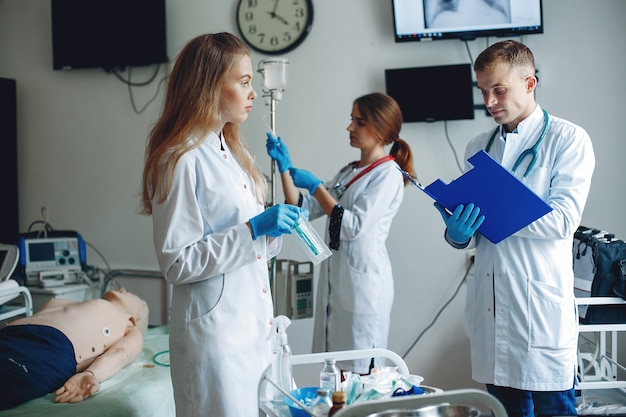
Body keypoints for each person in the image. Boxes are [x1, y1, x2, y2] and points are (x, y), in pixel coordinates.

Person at [139, 33, 305, 417]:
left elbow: (248, 245)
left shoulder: (232, 153)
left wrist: (271, 233)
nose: (253, 93)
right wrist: (253, 229)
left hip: (251, 331)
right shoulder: (179, 158)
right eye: (244, 82)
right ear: (210, 85)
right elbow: (176, 262)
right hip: (215, 340)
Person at [434, 39, 595, 417]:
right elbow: (476, 230)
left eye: (499, 90)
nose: (489, 101)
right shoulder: (479, 145)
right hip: (491, 311)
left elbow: (563, 220)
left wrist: (498, 212)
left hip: (538, 311)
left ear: (530, 83)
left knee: (553, 410)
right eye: (483, 91)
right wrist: (458, 234)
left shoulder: (568, 140)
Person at [266, 92, 415, 374]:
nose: (350, 128)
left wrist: (316, 187)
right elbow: (304, 208)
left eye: (359, 122)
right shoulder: (350, 171)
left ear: (381, 128)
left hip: (364, 287)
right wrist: (284, 169)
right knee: (335, 371)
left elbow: (352, 226)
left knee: (360, 373)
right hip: (337, 281)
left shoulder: (387, 174)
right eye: (352, 120)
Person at [0, 288, 149, 410]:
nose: (122, 289)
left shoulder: (129, 327)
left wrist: (92, 374)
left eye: (129, 292)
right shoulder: (74, 304)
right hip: (11, 332)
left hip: (51, 346)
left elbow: (121, 354)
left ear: (136, 316)